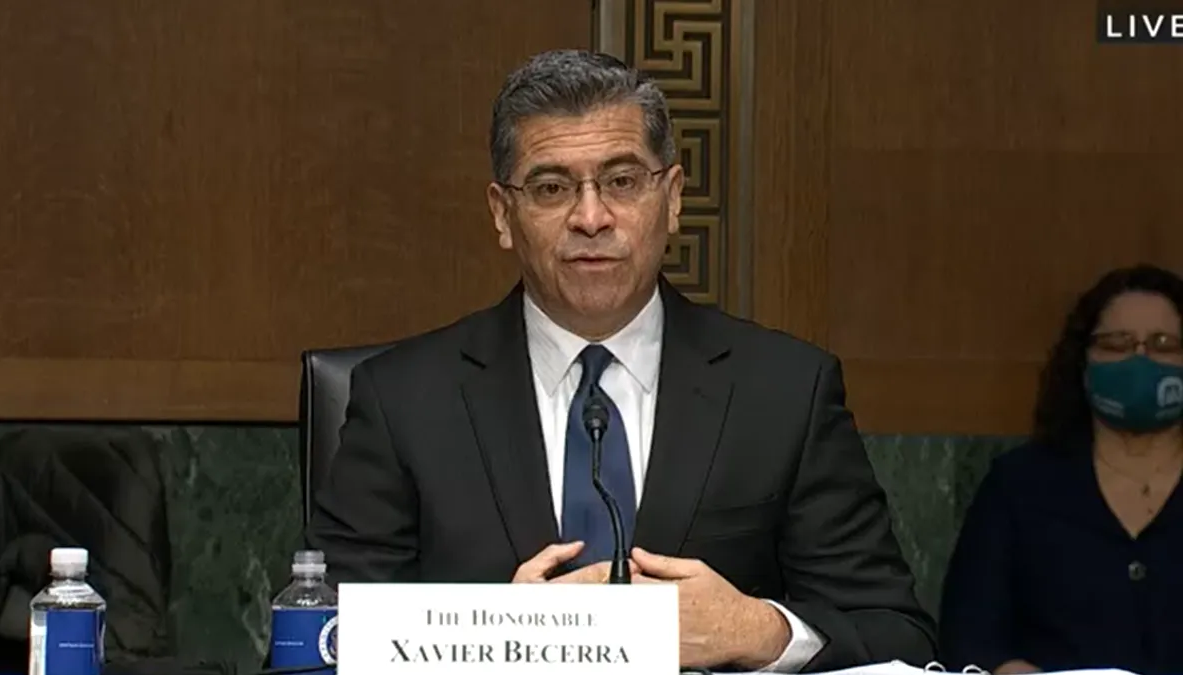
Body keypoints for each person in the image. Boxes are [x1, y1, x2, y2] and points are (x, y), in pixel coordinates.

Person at [305, 49, 933, 672]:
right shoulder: (404, 401)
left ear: (674, 197)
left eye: (622, 181)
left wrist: (755, 629)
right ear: (503, 214)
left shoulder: (785, 393)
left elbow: (896, 634)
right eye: (552, 188)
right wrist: (491, 637)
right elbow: (325, 642)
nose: (591, 217)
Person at [939, 264, 1183, 675]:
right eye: (1116, 344)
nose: (1140, 360)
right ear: (1083, 363)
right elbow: (970, 638)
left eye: (1162, 344)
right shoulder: (1018, 487)